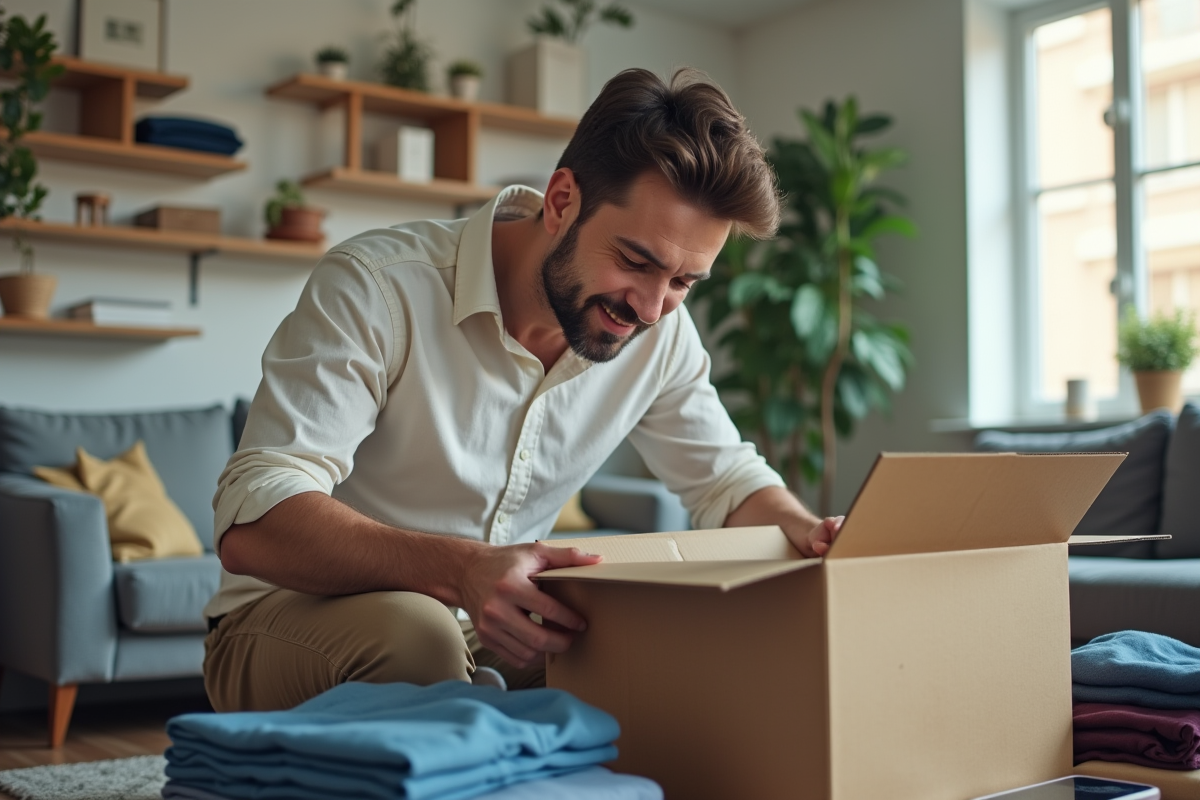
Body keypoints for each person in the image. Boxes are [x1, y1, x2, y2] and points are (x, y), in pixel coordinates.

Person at [203, 67, 841, 712]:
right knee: (419, 639)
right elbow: (255, 519)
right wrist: (462, 570)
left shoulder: (660, 335)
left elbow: (725, 482)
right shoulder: (379, 285)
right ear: (561, 202)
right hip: (292, 615)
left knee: (667, 651)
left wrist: (810, 532)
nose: (651, 308)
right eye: (635, 261)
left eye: (683, 282)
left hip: (494, 627)